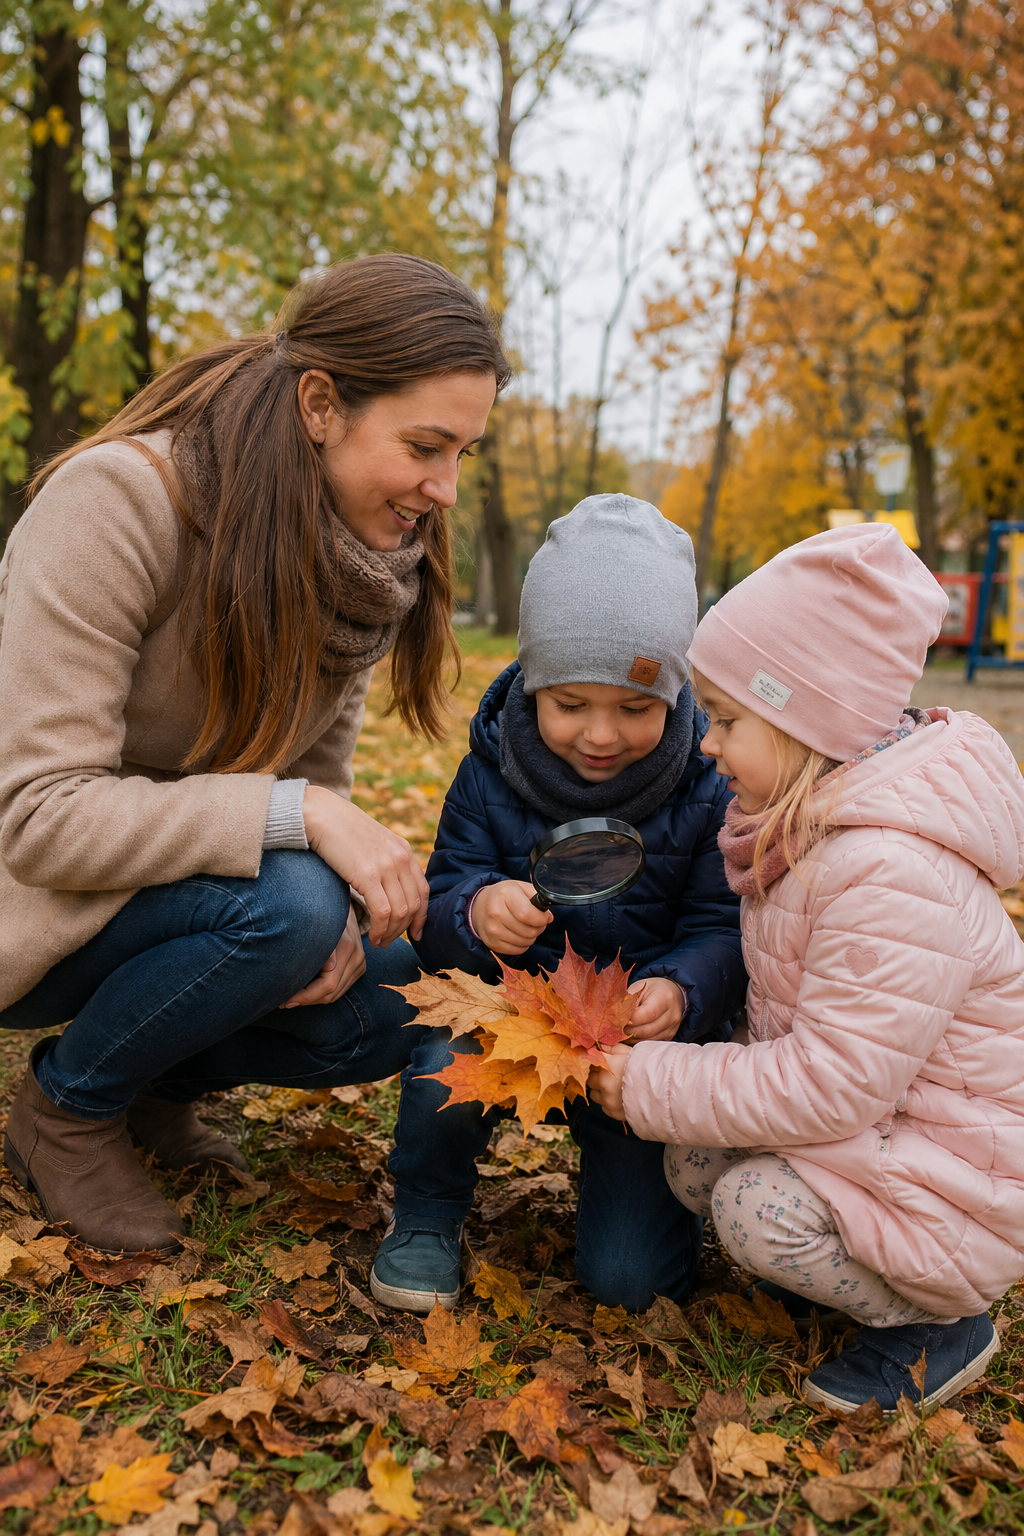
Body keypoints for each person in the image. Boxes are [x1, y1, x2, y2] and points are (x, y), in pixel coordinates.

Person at [0, 253, 510, 1257]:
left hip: (176, 898)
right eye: (423, 446)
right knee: (291, 907)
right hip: (36, 905)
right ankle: (67, 1108)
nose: (444, 488)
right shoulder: (116, 502)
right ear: (320, 405)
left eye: (463, 454)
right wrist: (302, 822)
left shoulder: (357, 565)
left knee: (394, 988)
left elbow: (314, 779)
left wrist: (337, 894)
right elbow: (39, 818)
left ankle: (152, 1086)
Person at [589, 523, 1024, 1412]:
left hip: (959, 1176)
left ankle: (938, 1323)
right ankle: (842, 1272)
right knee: (694, 1162)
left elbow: (833, 1084)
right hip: (885, 1126)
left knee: (750, 1206)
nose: (707, 743)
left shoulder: (888, 871)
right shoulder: (809, 831)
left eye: (728, 720)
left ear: (804, 721)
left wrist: (649, 1081)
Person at [369, 494, 747, 1314]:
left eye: (636, 708)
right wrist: (475, 913)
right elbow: (442, 903)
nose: (601, 735)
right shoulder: (490, 771)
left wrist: (683, 990)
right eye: (570, 704)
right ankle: (426, 1213)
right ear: (534, 683)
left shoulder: (709, 786)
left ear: (675, 694)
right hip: (509, 1016)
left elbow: (722, 927)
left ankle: (651, 1221)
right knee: (441, 1072)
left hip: (633, 1046)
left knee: (631, 1285)